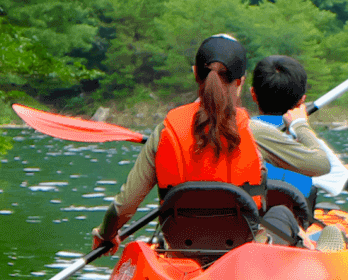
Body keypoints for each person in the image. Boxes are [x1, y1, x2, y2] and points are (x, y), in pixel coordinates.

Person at [93, 34, 331, 253]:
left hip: (180, 245)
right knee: (280, 213)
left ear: (195, 72)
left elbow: (124, 206)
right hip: (242, 250)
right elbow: (320, 164)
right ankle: (309, 246)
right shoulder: (252, 130)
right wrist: (300, 126)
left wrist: (106, 234)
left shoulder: (166, 131)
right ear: (240, 81)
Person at [250, 55, 348, 251]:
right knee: (337, 229)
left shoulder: (238, 133)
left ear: (253, 94)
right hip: (288, 240)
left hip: (243, 229)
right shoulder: (312, 147)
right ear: (302, 102)